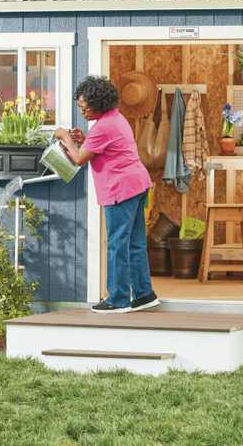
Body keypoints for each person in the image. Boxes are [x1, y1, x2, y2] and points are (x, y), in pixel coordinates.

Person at [54, 75, 158, 314]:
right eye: (80, 106)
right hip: (137, 185)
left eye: (84, 106)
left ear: (98, 103)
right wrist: (84, 139)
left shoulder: (103, 126)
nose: (82, 111)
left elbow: (79, 158)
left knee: (117, 244)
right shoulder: (115, 119)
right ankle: (144, 294)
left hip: (121, 189)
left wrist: (65, 137)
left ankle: (119, 299)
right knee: (134, 242)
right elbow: (100, 147)